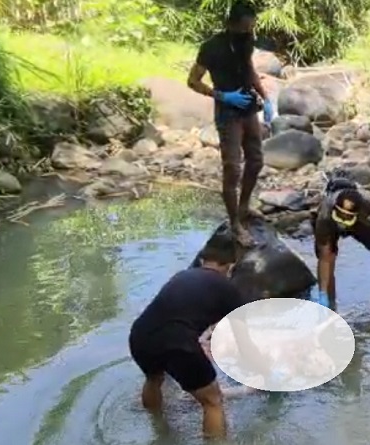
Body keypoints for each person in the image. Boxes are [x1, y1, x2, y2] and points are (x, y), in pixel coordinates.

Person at [128, 234, 271, 439]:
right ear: (230, 267)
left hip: (140, 335)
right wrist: (265, 375)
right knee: (212, 402)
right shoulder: (228, 289)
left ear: (203, 261)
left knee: (154, 378)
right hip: (176, 342)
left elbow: (179, 315)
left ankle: (159, 431)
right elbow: (244, 343)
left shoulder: (182, 276)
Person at [186, 3, 273, 247]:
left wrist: (266, 99)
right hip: (227, 111)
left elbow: (249, 69)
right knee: (232, 168)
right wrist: (223, 96)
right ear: (234, 22)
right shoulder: (211, 48)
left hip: (247, 107)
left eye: (252, 25)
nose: (251, 29)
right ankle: (235, 224)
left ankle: (244, 207)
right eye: (247, 25)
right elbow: (192, 81)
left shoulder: (246, 39)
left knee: (256, 161)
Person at [311, 177, 370, 308]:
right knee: (329, 259)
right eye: (340, 215)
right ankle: (330, 303)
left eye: (346, 217)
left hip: (358, 223)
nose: (343, 222)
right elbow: (325, 259)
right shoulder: (324, 216)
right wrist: (322, 292)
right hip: (330, 224)